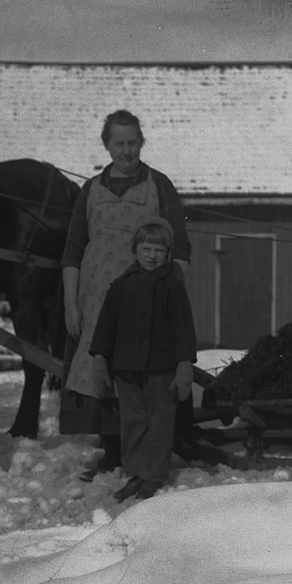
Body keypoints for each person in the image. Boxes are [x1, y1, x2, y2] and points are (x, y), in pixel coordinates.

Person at [59, 109, 192, 481]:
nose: (127, 150)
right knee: (99, 368)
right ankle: (112, 452)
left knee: (143, 371)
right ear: (107, 145)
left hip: (148, 297)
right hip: (96, 296)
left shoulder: (158, 185)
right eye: (119, 143)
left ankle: (146, 455)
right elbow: (72, 251)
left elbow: (180, 246)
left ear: (141, 143)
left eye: (133, 142)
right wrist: (71, 304)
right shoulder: (90, 190)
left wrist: (170, 291)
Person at [89, 218, 197, 502]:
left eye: (158, 250)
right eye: (146, 249)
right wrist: (100, 358)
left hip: (162, 366)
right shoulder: (121, 285)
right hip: (126, 366)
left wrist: (184, 366)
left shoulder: (172, 286)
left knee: (160, 420)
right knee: (133, 420)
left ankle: (153, 476)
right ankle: (136, 473)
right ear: (135, 250)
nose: (152, 256)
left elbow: (184, 328)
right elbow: (106, 325)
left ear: (168, 253)